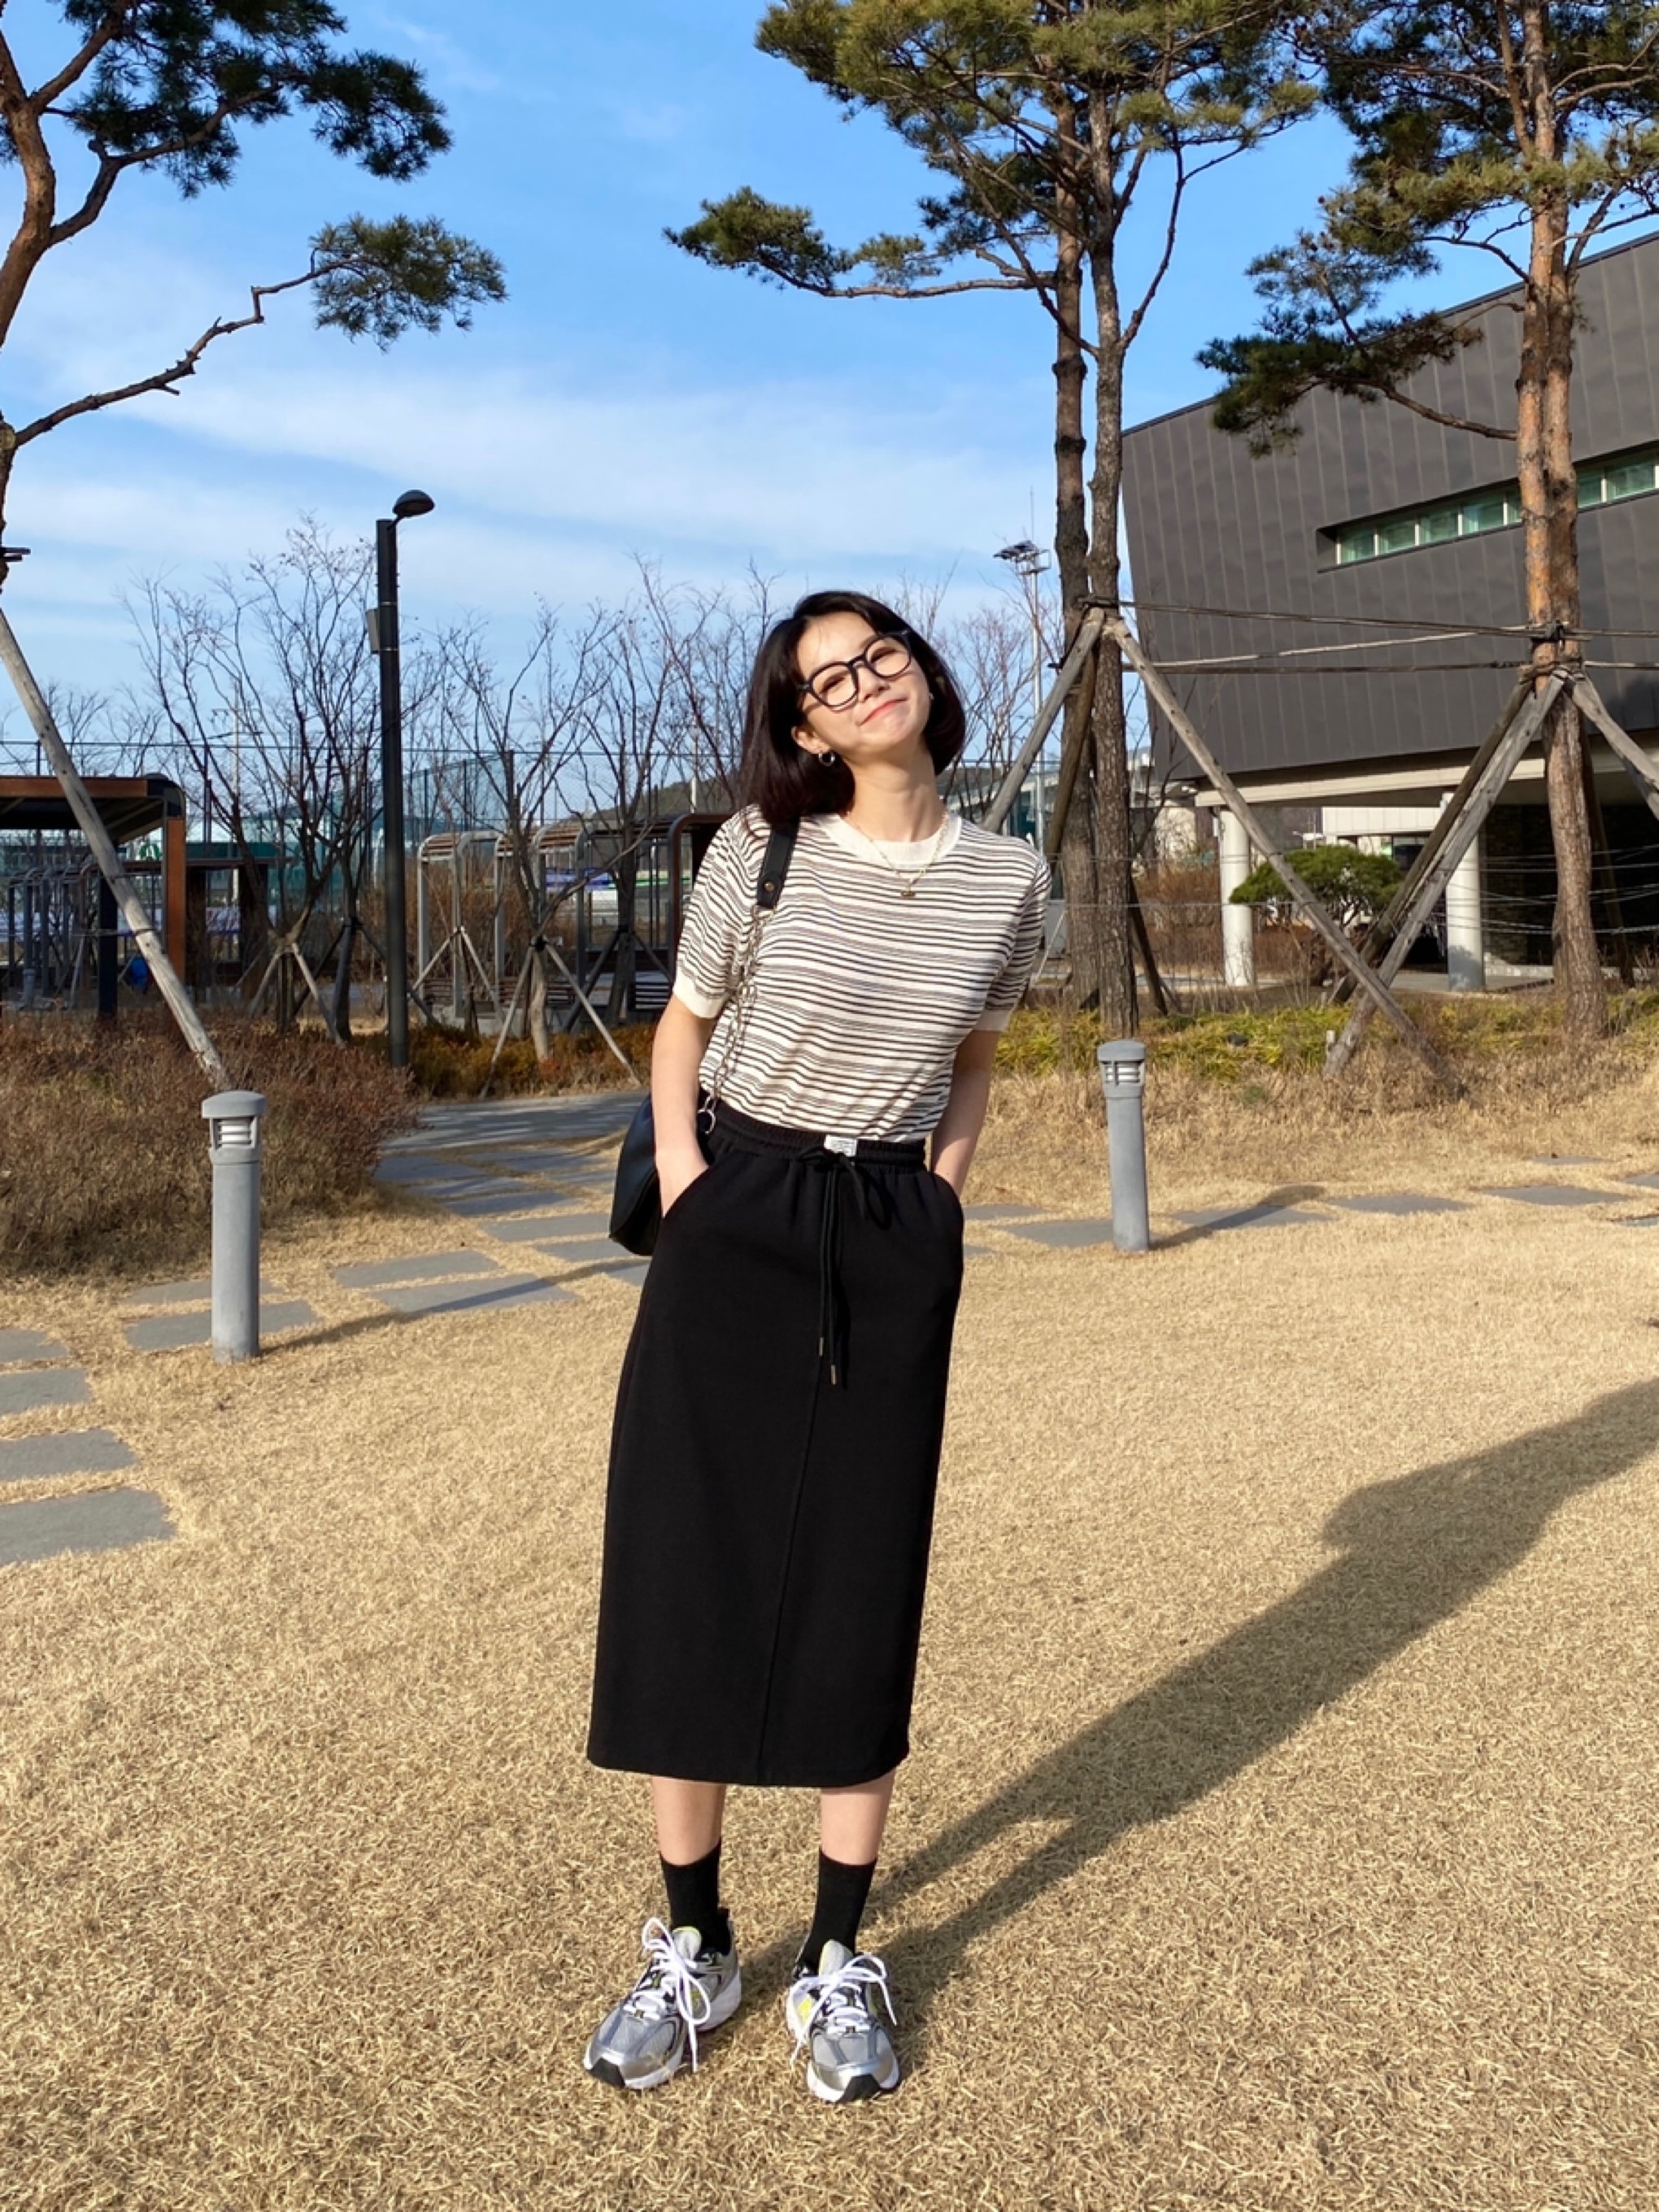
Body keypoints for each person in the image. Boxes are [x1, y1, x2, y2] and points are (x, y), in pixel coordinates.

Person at [584, 590, 1049, 2104]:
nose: (864, 683)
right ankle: (697, 1938)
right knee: (690, 1560)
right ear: (803, 724)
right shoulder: (761, 849)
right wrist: (694, 1190)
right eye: (829, 679)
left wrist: (941, 1205)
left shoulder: (1009, 877)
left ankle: (838, 1954)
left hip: (890, 1219)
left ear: (922, 669)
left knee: (864, 1570)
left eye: (880, 654)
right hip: (742, 1205)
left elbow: (975, 1056)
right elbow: (683, 1026)